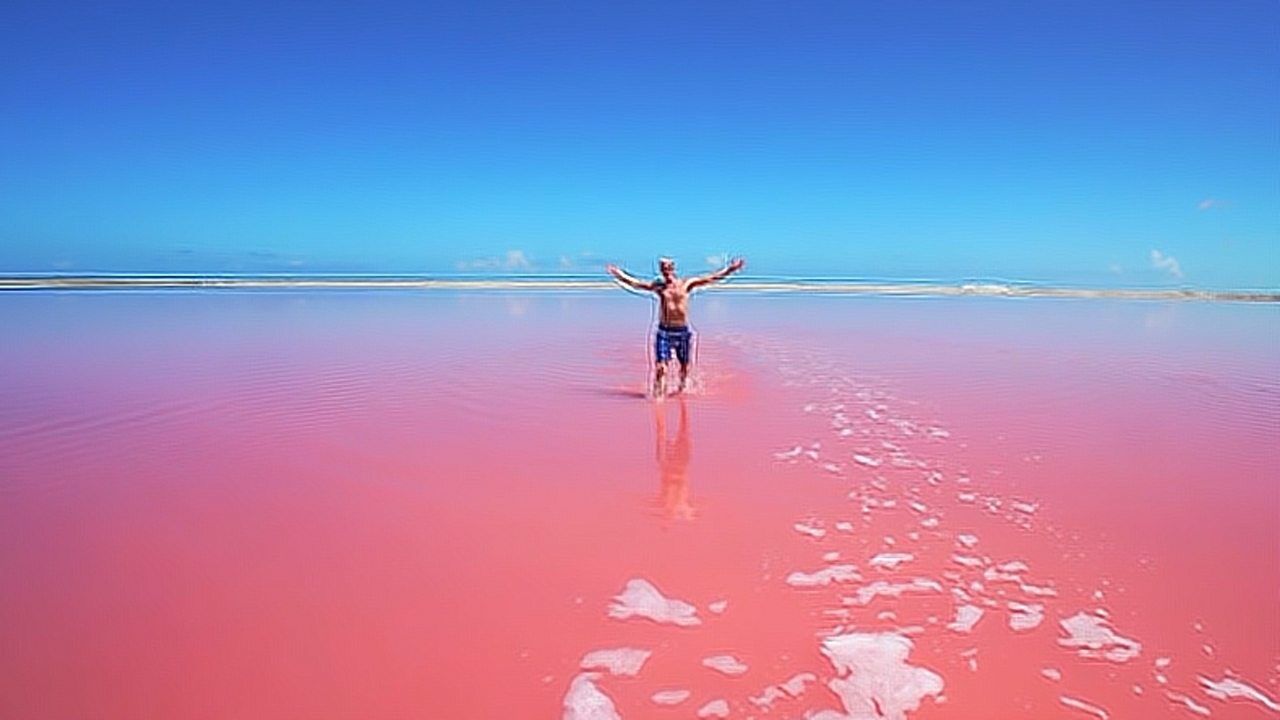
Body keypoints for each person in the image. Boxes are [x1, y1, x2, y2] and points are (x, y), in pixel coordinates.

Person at [606, 256, 746, 396]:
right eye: (662, 268)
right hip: (664, 331)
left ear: (673, 268)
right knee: (661, 368)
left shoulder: (686, 284)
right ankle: (657, 395)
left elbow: (712, 278)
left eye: (667, 268)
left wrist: (730, 269)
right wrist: (619, 274)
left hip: (682, 331)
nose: (665, 271)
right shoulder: (659, 287)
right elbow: (636, 284)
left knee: (684, 366)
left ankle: (682, 389)